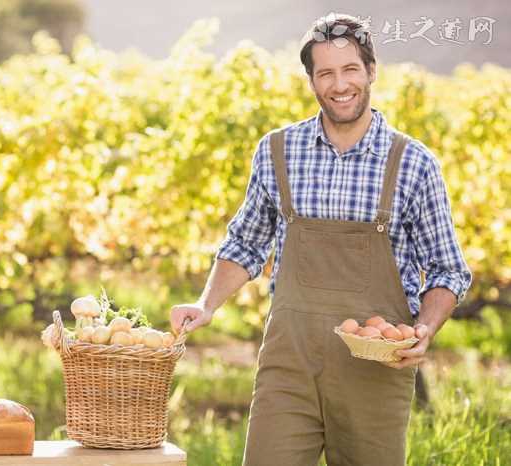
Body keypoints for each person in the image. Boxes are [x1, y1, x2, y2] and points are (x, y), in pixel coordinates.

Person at [170, 13, 472, 466]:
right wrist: (207, 304)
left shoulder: (413, 163)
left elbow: (449, 269)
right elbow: (245, 244)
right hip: (289, 367)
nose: (340, 84)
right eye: (325, 73)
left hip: (376, 372)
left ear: (371, 71)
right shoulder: (277, 151)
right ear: (312, 81)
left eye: (350, 69)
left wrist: (425, 329)